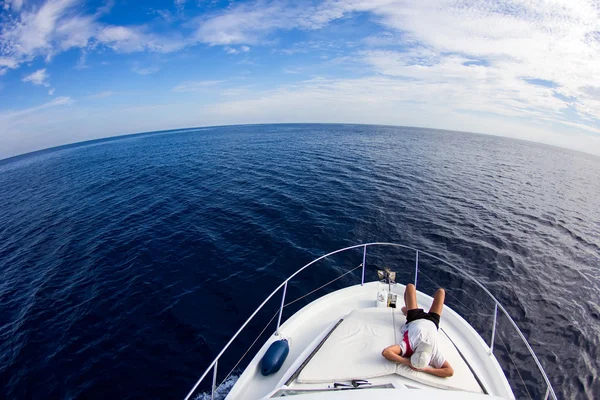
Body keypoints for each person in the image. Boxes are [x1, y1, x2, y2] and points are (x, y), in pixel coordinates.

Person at [381, 284, 454, 377]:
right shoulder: (434, 354)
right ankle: (406, 310)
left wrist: (407, 362)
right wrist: (425, 369)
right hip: (432, 321)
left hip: (415, 319)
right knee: (441, 292)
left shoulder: (408, 347)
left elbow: (386, 352)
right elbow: (449, 372)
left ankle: (407, 311)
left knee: (410, 287)